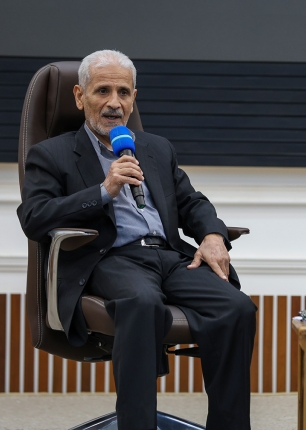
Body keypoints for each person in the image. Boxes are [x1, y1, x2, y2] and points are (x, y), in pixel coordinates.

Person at [17, 50, 257, 430]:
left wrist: (212, 235)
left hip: (170, 257)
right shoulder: (51, 153)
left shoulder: (155, 148)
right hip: (110, 258)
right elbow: (34, 217)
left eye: (124, 92)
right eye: (103, 91)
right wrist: (104, 190)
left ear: (133, 99)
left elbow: (191, 202)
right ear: (79, 96)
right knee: (142, 303)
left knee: (237, 308)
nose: (114, 103)